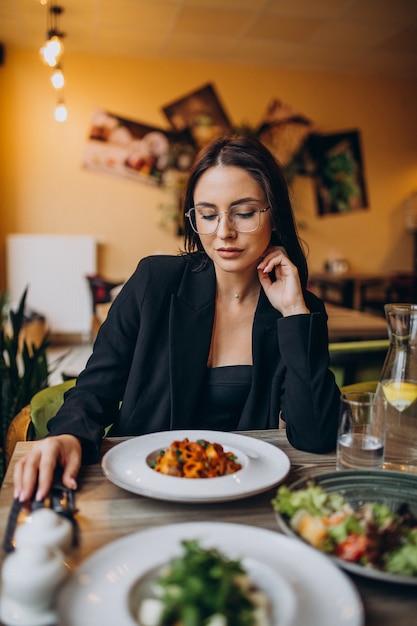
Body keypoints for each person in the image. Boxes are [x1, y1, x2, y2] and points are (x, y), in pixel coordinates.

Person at [14, 135, 340, 502]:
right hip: (140, 488)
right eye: (207, 214)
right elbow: (95, 388)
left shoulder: (298, 308)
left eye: (244, 213)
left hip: (240, 498)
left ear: (274, 215)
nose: (223, 232)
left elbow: (316, 436)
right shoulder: (155, 282)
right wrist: (67, 437)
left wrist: (294, 312)